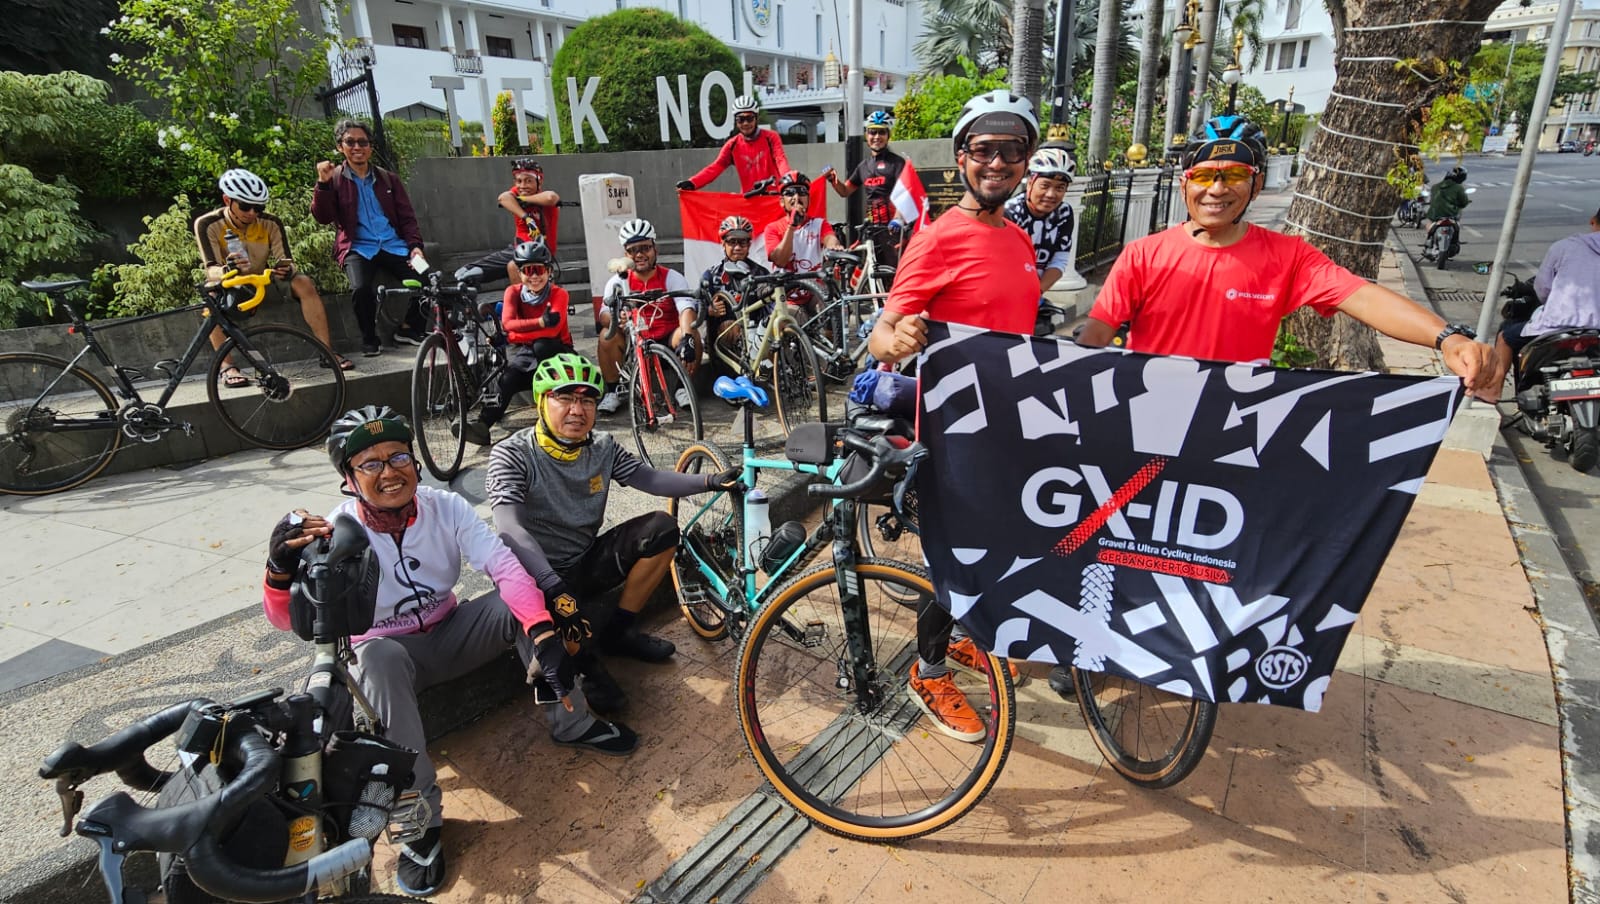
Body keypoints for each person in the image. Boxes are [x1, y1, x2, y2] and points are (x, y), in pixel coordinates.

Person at [1071, 118, 1495, 687]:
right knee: (1122, 545)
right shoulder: (1145, 254)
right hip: (1148, 429)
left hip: (1235, 435)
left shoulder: (1286, 257)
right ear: (1184, 182)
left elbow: (1360, 296)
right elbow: (1097, 333)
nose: (1216, 189)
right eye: (1204, 175)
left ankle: (1198, 646)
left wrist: (1447, 339)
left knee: (1217, 552)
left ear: (1255, 183)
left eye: (1233, 176)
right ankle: (1097, 650)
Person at [261, 406, 636, 897]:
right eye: (370, 463)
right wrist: (278, 571)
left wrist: (543, 636)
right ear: (348, 478)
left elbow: (503, 566)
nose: (389, 472)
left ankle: (574, 721)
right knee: (376, 657)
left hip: (452, 629)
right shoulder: (336, 532)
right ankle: (421, 820)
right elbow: (293, 622)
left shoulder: (445, 507)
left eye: (398, 456)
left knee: (521, 602)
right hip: (391, 656)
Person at [866, 89, 1042, 742]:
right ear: (962, 159)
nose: (998, 163)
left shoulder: (1018, 239)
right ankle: (928, 669)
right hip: (957, 430)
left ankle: (969, 642)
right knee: (964, 560)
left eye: (1012, 151)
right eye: (985, 150)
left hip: (1012, 424)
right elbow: (882, 335)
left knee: (1004, 548)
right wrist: (898, 342)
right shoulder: (938, 240)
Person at [486, 353, 741, 711]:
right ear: (542, 401)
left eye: (587, 399)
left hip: (584, 559)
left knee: (661, 529)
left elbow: (650, 479)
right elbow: (509, 529)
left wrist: (711, 481)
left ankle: (620, 631)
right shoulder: (512, 454)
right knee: (608, 695)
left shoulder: (602, 446)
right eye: (565, 397)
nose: (578, 410)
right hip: (537, 578)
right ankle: (582, 664)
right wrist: (551, 584)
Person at [195, 168, 353, 381]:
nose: (252, 213)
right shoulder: (208, 224)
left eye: (258, 207)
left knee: (303, 282)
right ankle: (227, 367)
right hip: (232, 285)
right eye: (245, 206)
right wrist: (227, 269)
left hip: (263, 280)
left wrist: (286, 269)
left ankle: (327, 352)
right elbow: (210, 269)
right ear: (227, 200)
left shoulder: (271, 222)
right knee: (210, 300)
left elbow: (287, 260)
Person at [311, 118, 430, 357]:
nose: (357, 147)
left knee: (428, 277)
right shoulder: (334, 179)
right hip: (358, 247)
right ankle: (369, 338)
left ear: (371, 147)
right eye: (350, 142)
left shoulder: (387, 178)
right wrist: (322, 185)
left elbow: (407, 217)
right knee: (361, 288)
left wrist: (415, 247)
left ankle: (409, 328)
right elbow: (322, 217)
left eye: (363, 142)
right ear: (340, 146)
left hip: (395, 245)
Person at [460, 240, 574, 445]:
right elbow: (508, 322)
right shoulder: (512, 293)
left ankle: (557, 413)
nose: (534, 276)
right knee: (509, 377)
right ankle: (482, 425)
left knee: (542, 345)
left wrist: (512, 337)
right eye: (527, 271)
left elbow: (552, 331)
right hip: (529, 355)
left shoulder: (559, 294)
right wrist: (538, 322)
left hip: (559, 356)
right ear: (520, 273)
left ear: (548, 271)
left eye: (539, 269)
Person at [1482, 207, 1600, 400]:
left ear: (1593, 221)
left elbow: (1543, 288)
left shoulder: (1565, 246)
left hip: (1558, 327)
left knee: (1506, 337)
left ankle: (1490, 394)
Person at [595, 218, 699, 414]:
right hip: (634, 339)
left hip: (666, 336)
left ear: (655, 250)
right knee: (605, 336)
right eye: (633, 250)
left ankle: (682, 388)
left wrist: (687, 336)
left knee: (691, 333)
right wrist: (617, 318)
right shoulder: (617, 281)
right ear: (625, 254)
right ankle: (612, 391)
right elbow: (604, 314)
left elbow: (686, 308)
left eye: (645, 248)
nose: (640, 254)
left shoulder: (672, 277)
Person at [824, 110, 910, 265]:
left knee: (895, 271)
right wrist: (833, 180)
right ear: (866, 135)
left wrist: (898, 219)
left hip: (893, 229)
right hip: (871, 230)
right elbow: (845, 191)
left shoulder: (897, 163)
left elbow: (905, 194)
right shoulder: (863, 166)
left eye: (882, 132)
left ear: (888, 135)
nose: (877, 137)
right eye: (872, 132)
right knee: (871, 271)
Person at [462, 157, 563, 286]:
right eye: (519, 181)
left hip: (540, 252)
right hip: (517, 249)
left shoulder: (543, 198)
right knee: (467, 272)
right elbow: (503, 198)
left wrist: (524, 200)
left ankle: (523, 303)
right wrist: (526, 217)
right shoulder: (517, 193)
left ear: (539, 181)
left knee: (513, 266)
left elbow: (551, 197)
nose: (522, 186)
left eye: (528, 181)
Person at [698, 215, 771, 371]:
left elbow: (771, 306)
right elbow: (696, 310)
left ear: (749, 244)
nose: (737, 247)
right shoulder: (711, 275)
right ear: (723, 244)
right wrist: (709, 310)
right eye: (732, 242)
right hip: (723, 337)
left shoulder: (761, 272)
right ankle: (733, 377)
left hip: (757, 332)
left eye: (742, 242)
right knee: (731, 327)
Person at [676, 95, 791, 193]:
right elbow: (715, 168)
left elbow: (780, 160)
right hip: (748, 199)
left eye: (749, 118)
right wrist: (693, 183)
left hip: (774, 198)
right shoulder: (732, 145)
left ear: (757, 118)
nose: (745, 123)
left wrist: (789, 181)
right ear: (736, 121)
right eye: (740, 119)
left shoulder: (771, 137)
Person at [1004, 147, 1078, 298]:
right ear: (1030, 183)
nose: (1051, 194)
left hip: (1034, 291)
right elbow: (1003, 264)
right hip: (1006, 290)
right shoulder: (1010, 213)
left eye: (1060, 188)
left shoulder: (1064, 213)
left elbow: (1060, 260)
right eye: (1045, 186)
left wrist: (1037, 292)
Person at [1425, 165, 1470, 256]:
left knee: (1429, 225)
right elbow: (1464, 202)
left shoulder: (1435, 187)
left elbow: (1431, 200)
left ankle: (1429, 242)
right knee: (1457, 225)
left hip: (1435, 215)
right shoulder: (1459, 188)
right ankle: (1454, 242)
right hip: (1451, 215)